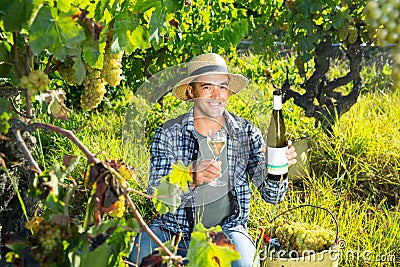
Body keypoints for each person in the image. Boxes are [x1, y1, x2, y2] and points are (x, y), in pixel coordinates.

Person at [128, 53, 297, 266]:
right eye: (208, 87)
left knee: (245, 264)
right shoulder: (168, 133)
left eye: (223, 87)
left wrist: (277, 169)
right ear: (191, 91)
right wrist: (190, 178)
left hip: (227, 232)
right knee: (135, 257)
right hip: (173, 230)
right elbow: (156, 196)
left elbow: (272, 197)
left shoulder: (246, 132)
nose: (217, 95)